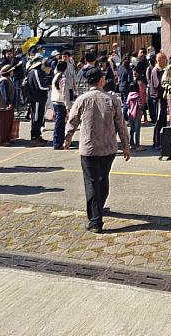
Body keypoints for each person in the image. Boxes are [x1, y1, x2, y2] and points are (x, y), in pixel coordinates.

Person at [63, 68, 131, 234]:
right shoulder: (112, 100)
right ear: (101, 80)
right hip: (108, 148)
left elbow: (72, 121)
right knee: (103, 179)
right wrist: (126, 144)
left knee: (92, 182)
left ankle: (95, 220)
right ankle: (98, 209)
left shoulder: (82, 99)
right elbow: (121, 124)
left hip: (89, 148)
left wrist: (67, 138)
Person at [26, 59, 50, 145]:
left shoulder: (39, 72)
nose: (44, 66)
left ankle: (38, 135)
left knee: (40, 118)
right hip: (36, 99)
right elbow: (40, 86)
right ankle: (34, 138)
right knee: (35, 118)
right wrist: (48, 87)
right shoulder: (35, 72)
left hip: (40, 99)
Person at [51, 60, 72, 149]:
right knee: (60, 124)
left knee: (59, 123)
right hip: (61, 103)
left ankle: (59, 141)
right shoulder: (63, 78)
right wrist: (68, 106)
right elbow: (65, 93)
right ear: (65, 68)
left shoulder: (56, 76)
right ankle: (58, 143)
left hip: (55, 101)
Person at [0, 64, 18, 146]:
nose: (13, 72)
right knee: (4, 124)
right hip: (3, 106)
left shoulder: (8, 79)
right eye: (11, 70)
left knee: (9, 123)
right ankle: (2, 140)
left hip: (8, 106)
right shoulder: (3, 80)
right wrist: (8, 103)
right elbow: (4, 93)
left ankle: (7, 138)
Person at [150, 52, 169, 149]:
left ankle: (162, 141)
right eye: (164, 58)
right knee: (159, 120)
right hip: (158, 98)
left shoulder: (164, 70)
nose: (166, 60)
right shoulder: (155, 70)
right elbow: (157, 85)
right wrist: (167, 86)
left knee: (164, 120)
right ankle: (157, 142)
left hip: (163, 98)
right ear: (159, 60)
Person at [126, 82, 143, 151]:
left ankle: (131, 144)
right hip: (137, 114)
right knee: (137, 130)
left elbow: (127, 104)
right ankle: (137, 145)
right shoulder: (139, 95)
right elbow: (141, 105)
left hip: (131, 114)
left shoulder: (129, 95)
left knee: (132, 130)